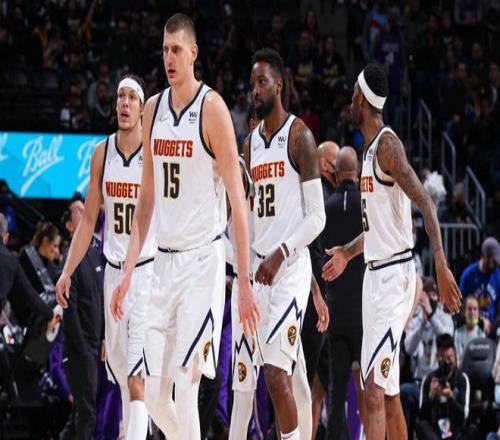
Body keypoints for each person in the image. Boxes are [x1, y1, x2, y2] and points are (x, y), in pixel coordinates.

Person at [111, 13, 258, 440]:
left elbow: (238, 203)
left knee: (186, 385)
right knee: (154, 398)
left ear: (193, 53)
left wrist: (243, 281)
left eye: (176, 50)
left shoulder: (212, 110)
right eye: (164, 50)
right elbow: (146, 200)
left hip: (202, 264)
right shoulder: (153, 109)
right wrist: (127, 271)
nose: (169, 58)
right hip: (162, 263)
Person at [322, 63, 461, 440]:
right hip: (374, 275)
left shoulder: (387, 145)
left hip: (394, 276)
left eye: (354, 93)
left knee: (372, 390)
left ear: (363, 101)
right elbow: (376, 230)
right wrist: (347, 252)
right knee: (389, 393)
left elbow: (426, 203)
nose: (350, 99)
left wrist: (441, 264)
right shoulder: (368, 151)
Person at [56, 74, 166, 439]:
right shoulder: (102, 153)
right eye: (120, 96)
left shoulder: (153, 155)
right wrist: (66, 271)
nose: (125, 103)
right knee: (121, 374)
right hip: (112, 275)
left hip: (146, 273)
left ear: (142, 107)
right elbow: (89, 220)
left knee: (136, 377)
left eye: (132, 97)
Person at [244, 47, 326, 440]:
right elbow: (249, 216)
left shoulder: (300, 137)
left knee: (276, 375)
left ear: (279, 85)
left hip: (289, 269)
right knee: (289, 377)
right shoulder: (250, 144)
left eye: (262, 82)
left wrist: (281, 253)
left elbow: (317, 217)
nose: (255, 90)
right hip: (259, 271)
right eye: (251, 84)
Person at [321, 146, 366, 439]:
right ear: (358, 172)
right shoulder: (367, 204)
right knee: (371, 388)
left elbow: (318, 256)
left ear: (336, 173)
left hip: (335, 311)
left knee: (336, 394)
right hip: (364, 312)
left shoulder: (326, 207)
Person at [58, 193, 104, 439]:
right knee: (87, 414)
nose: (84, 210)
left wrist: (104, 337)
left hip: (95, 345)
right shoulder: (70, 263)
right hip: (79, 349)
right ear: (69, 226)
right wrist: (84, 349)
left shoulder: (95, 253)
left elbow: (101, 298)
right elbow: (70, 310)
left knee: (83, 413)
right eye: (77, 210)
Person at [401, 276, 454, 437]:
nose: (429, 300)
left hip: (439, 381)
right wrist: (423, 322)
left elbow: (447, 338)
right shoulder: (415, 319)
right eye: (426, 296)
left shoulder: (444, 317)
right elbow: (409, 349)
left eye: (433, 295)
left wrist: (431, 316)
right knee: (403, 392)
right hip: (419, 384)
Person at [0, 213, 57, 330]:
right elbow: (30, 295)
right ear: (6, 238)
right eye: (55, 245)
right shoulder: (11, 261)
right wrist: (50, 315)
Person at [417, 334, 478, 440]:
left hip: (456, 432)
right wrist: (431, 396)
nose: (446, 362)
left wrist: (451, 398)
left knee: (472, 430)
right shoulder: (429, 379)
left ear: (455, 356)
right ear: (437, 356)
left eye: (449, 358)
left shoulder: (462, 379)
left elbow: (464, 415)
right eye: (442, 358)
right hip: (435, 433)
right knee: (421, 426)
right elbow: (421, 416)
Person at [459, 237, 500, 336]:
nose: (497, 264)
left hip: (491, 329)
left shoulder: (497, 276)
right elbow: (461, 308)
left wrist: (493, 326)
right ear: (485, 256)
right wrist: (480, 321)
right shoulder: (469, 275)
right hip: (472, 329)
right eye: (494, 261)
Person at [454, 295, 485, 366]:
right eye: (469, 309)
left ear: (479, 313)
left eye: (475, 309)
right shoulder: (457, 333)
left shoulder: (482, 335)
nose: (472, 312)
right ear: (464, 312)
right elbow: (457, 357)